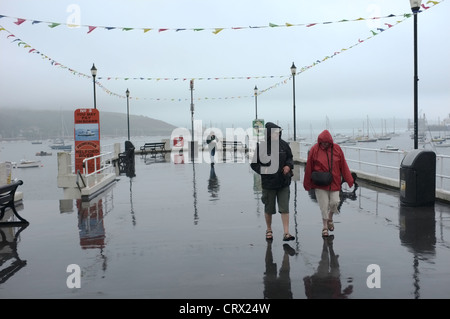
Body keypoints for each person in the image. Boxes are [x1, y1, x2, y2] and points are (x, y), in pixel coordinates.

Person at [303, 129, 354, 237]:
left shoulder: (337, 149)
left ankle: (330, 217)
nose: (325, 144)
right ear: (320, 141)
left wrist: (349, 180)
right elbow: (309, 167)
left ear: (330, 141)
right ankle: (325, 226)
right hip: (320, 183)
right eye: (323, 142)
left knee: (335, 202)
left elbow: (343, 165)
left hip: (334, 182)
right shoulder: (314, 150)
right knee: (323, 205)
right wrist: (307, 183)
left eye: (326, 142)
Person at [251, 122, 295, 241]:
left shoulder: (284, 145)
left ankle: (286, 233)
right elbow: (254, 164)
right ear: (269, 134)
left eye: (278, 132)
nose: (277, 134)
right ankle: (269, 229)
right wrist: (263, 170)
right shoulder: (262, 147)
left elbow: (290, 158)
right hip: (269, 183)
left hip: (283, 182)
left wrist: (288, 166)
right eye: (275, 132)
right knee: (269, 209)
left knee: (284, 208)